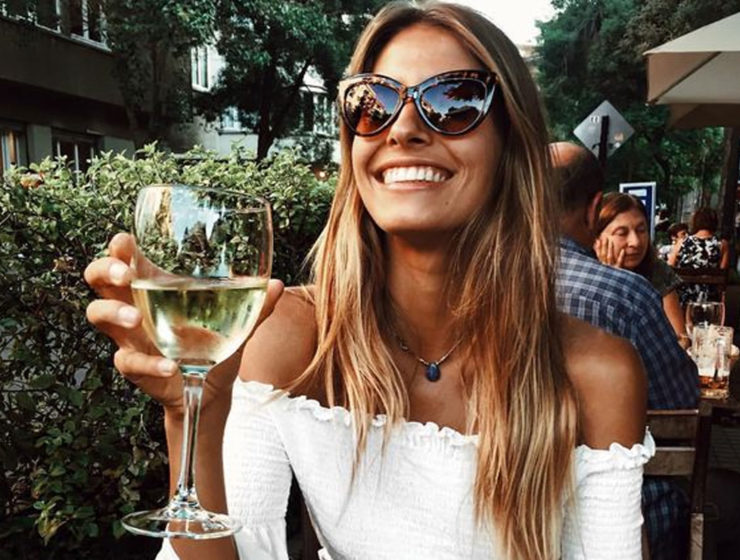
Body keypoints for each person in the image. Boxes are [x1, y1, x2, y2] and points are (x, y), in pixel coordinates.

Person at [85, 3, 651, 559]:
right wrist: (195, 418)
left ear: (511, 145)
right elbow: (240, 549)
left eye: (453, 102)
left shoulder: (595, 373)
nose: (402, 129)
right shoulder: (292, 337)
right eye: (373, 103)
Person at [551, 142, 698, 560]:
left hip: (505, 494)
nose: (634, 241)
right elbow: (681, 404)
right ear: (594, 210)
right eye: (622, 231)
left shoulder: (476, 282)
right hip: (621, 509)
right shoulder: (626, 294)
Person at [594, 192, 687, 342]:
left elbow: (681, 337)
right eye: (622, 233)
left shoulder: (657, 270)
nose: (635, 242)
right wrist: (612, 281)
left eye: (641, 230)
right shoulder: (585, 276)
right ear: (596, 239)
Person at [669, 207, 730, 306]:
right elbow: (722, 275)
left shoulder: (681, 242)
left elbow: (669, 267)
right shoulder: (722, 245)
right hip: (710, 299)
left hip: (683, 298)